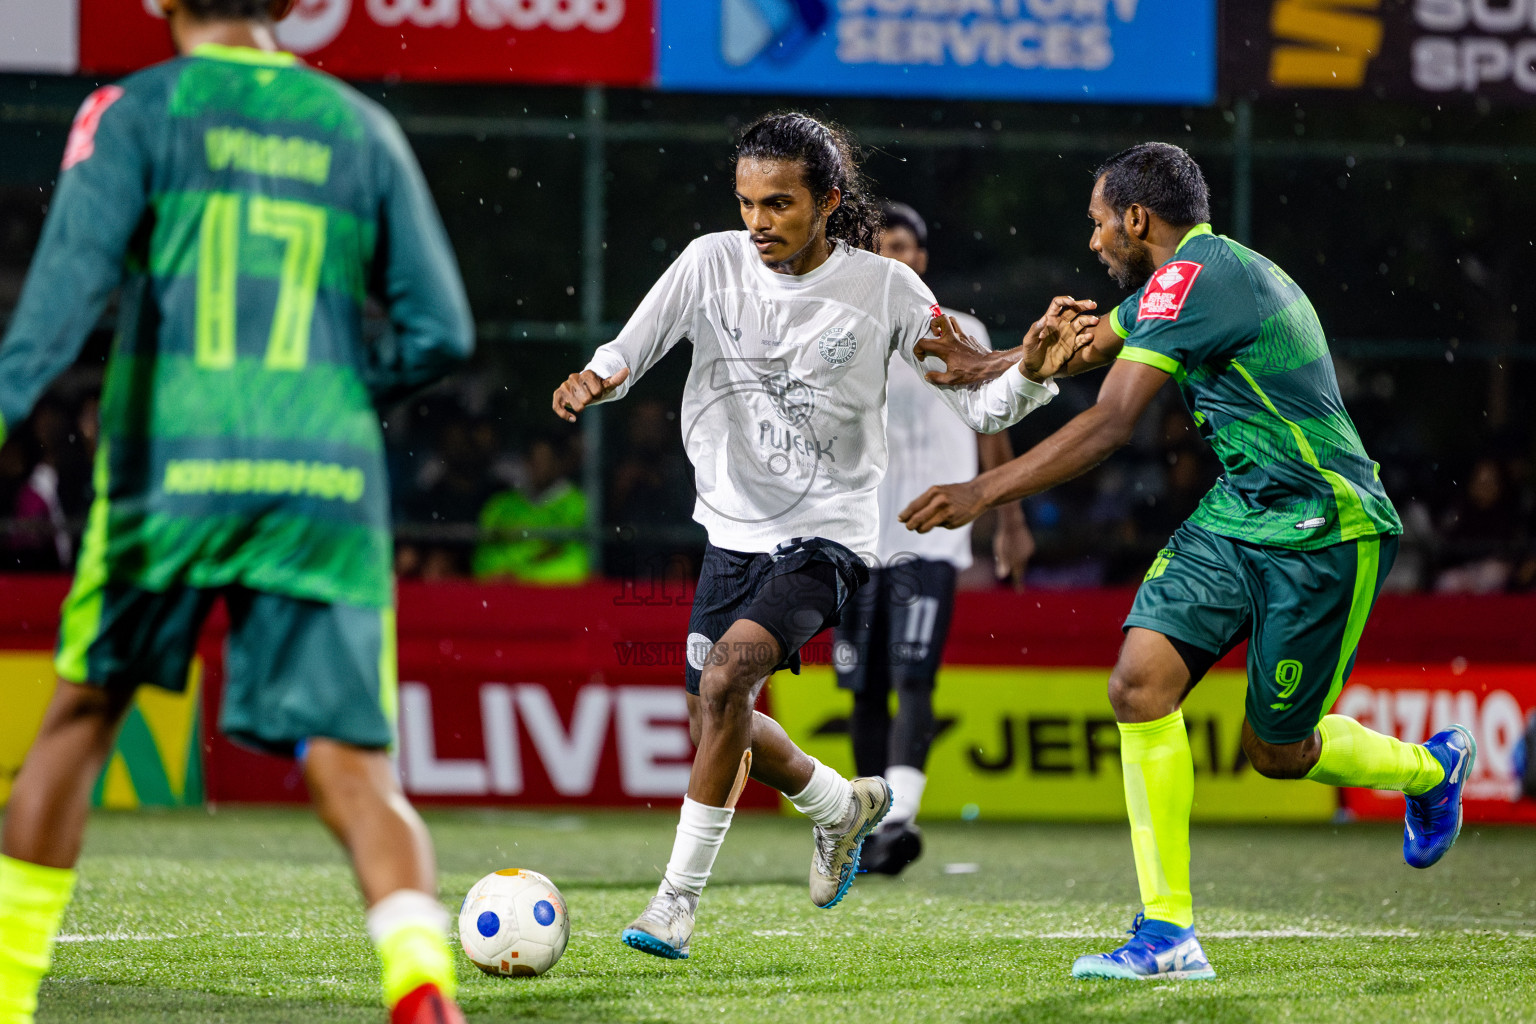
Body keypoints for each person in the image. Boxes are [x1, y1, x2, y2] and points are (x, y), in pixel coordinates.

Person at [0, 3, 475, 1023]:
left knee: (78, 724)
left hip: (172, 463)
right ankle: (421, 985)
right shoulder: (360, 126)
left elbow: (63, 297)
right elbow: (441, 329)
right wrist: (340, 391)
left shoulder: (132, 110)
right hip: (325, 477)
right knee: (357, 765)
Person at [900, 142, 1475, 981]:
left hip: (1327, 531)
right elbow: (1088, 347)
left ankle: (1431, 769)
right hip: (1237, 518)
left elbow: (1109, 423)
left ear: (1138, 218)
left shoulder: (1200, 280)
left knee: (1277, 752)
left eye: (1099, 223)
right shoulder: (1183, 281)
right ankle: (1167, 935)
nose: (1094, 241)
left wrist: (982, 495)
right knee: (1138, 685)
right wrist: (981, 365)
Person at [552, 112, 1083, 960]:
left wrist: (1032, 367)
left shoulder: (885, 289)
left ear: (829, 201)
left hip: (830, 537)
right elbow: (632, 345)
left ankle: (674, 904)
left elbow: (977, 394)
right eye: (746, 203)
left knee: (728, 681)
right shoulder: (709, 262)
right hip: (730, 534)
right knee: (716, 720)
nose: (758, 223)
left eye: (780, 205)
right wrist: (596, 378)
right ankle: (841, 806)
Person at [832, 201, 1035, 875]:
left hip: (935, 540)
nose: (903, 257)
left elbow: (992, 423)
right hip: (859, 541)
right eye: (888, 246)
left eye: (911, 247)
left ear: (923, 257)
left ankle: (901, 820)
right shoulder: (845, 331)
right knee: (863, 687)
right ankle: (866, 824)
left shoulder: (963, 331)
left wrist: (1007, 517)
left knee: (914, 675)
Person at [473, 435, 591, 584]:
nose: (539, 466)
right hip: (502, 593)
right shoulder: (500, 505)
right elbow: (483, 557)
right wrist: (503, 575)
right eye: (534, 459)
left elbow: (575, 563)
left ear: (559, 463)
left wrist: (521, 575)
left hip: (555, 595)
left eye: (546, 460)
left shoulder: (579, 504)